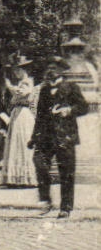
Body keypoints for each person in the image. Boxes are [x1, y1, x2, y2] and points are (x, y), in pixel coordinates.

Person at [29, 56, 89, 218]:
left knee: (67, 172)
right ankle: (45, 200)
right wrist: (34, 137)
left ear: (62, 70)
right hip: (45, 137)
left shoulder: (71, 87)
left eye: (54, 68)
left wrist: (69, 110)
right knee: (40, 163)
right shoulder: (44, 90)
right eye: (49, 68)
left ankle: (66, 207)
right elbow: (40, 116)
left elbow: (84, 107)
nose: (50, 71)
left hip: (65, 136)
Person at [1, 57, 37, 186]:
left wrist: (9, 85)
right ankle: (15, 177)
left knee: (21, 141)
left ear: (23, 70)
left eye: (17, 70)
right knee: (15, 141)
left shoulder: (26, 82)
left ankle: (23, 177)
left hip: (23, 113)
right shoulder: (23, 82)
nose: (15, 73)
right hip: (18, 113)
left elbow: (21, 93)